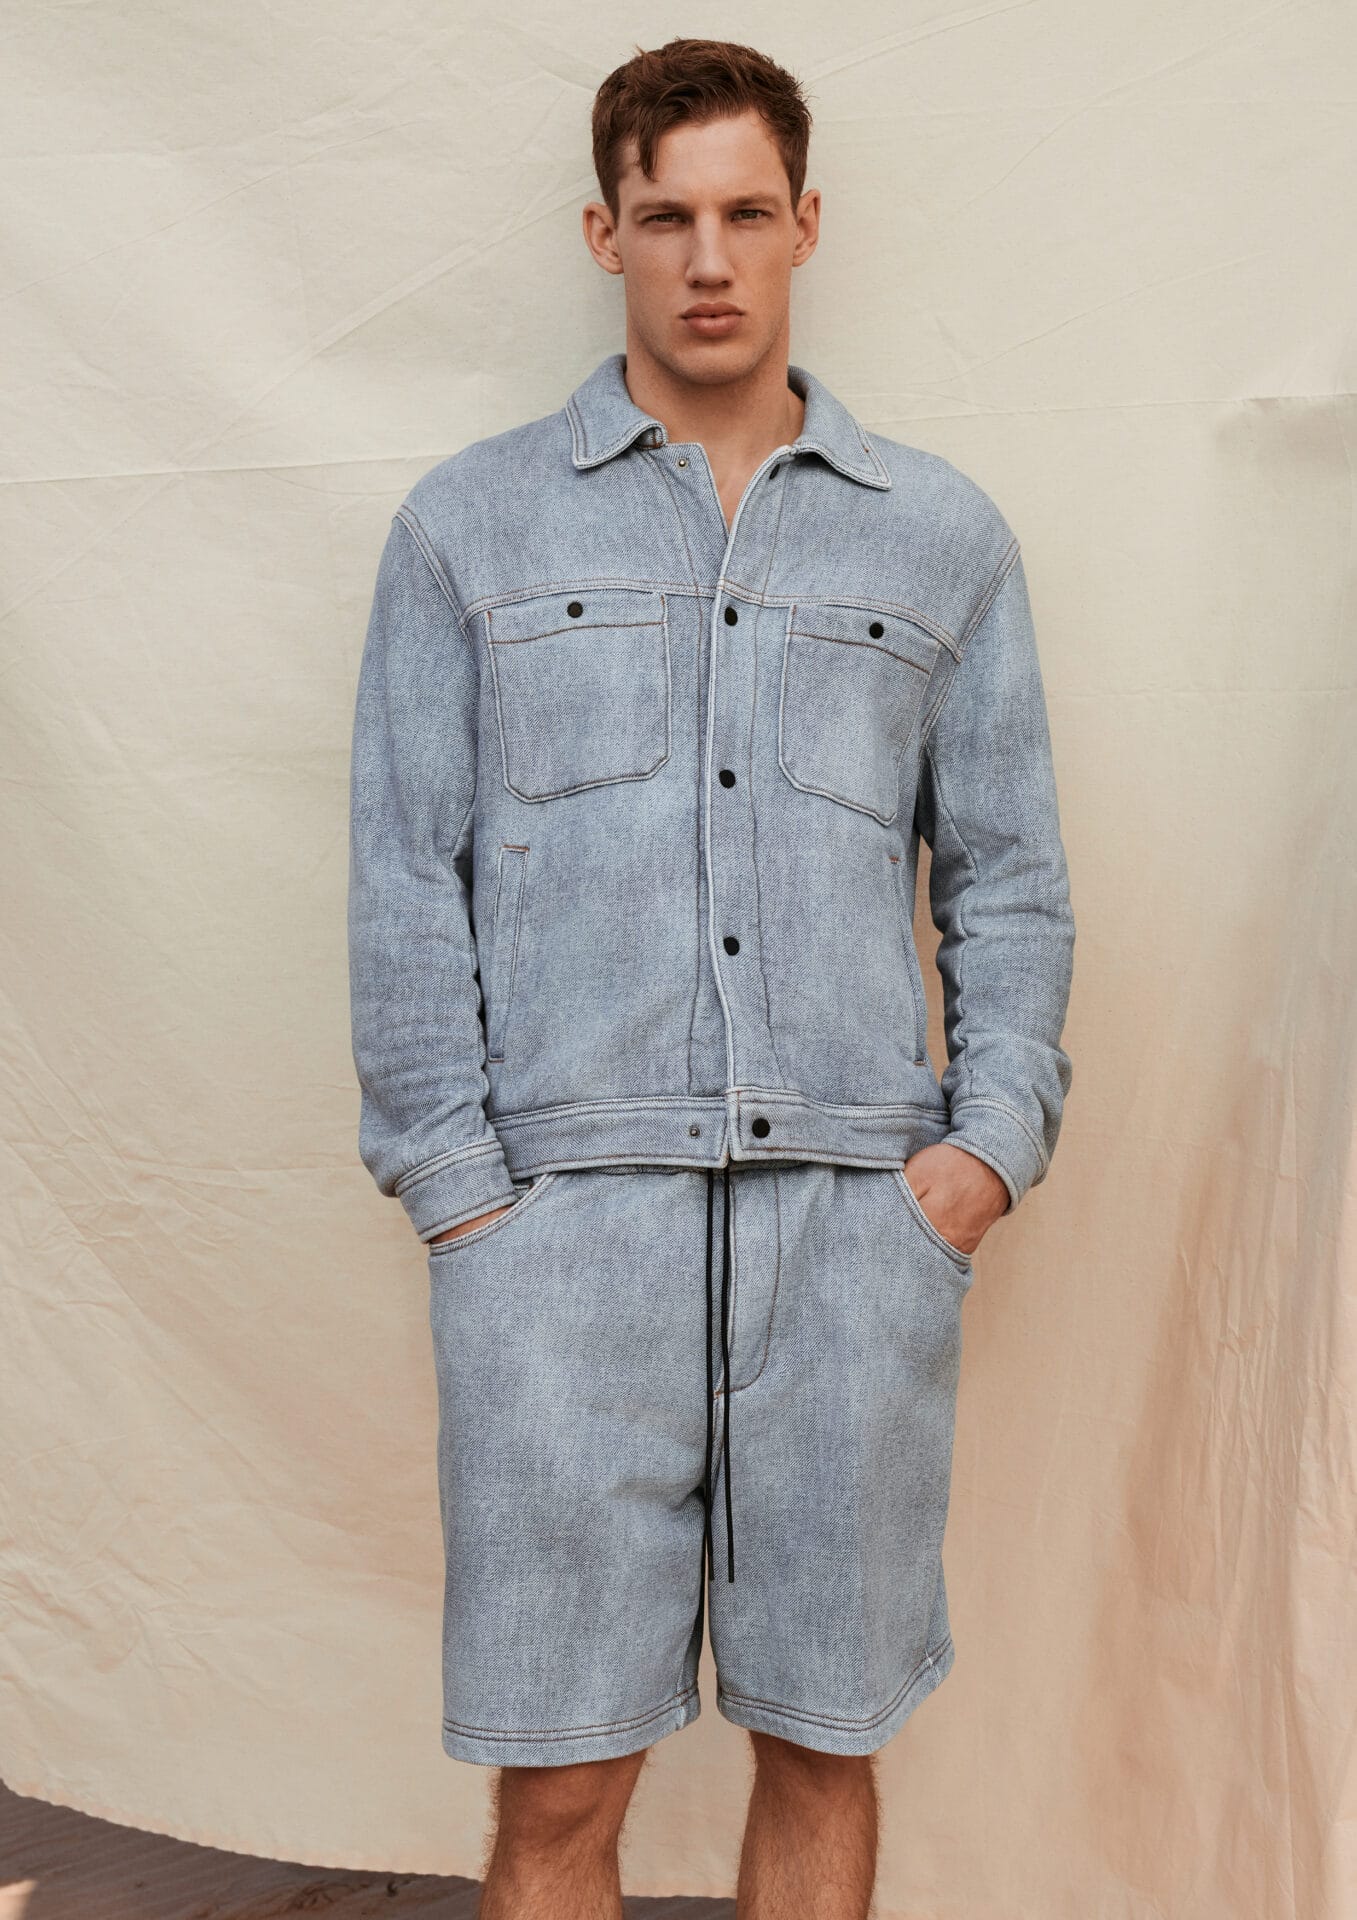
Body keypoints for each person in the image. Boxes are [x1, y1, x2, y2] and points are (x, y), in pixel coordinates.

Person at [347, 35, 1075, 1920]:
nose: (708, 258)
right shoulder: (469, 528)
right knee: (559, 1784)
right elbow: (401, 877)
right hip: (560, 1238)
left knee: (825, 1744)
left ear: (805, 224)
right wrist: (463, 1198)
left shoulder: (939, 538)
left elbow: (1005, 878)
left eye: (746, 212)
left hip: (852, 1229)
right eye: (664, 216)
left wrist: (979, 1155)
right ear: (603, 234)